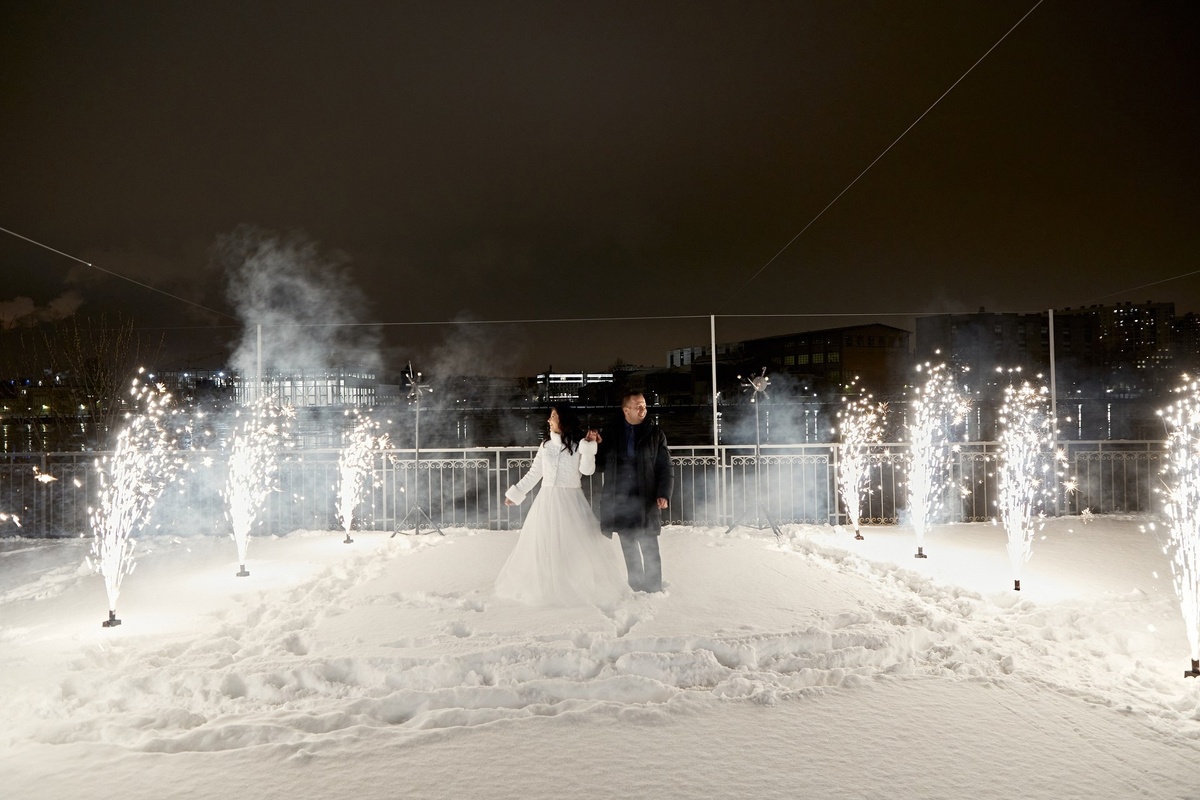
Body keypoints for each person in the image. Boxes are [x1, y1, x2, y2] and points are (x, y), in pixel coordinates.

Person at [495, 403, 627, 606]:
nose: (549, 420)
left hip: (571, 501)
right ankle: (548, 586)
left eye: (553, 416)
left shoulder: (578, 445)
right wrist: (517, 493)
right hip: (546, 501)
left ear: (563, 420)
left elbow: (587, 471)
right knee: (545, 544)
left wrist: (589, 449)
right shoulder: (546, 445)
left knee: (574, 544)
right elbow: (534, 473)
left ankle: (574, 584)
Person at [595, 390, 673, 592]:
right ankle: (636, 587)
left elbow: (665, 467)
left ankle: (654, 588)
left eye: (644, 406)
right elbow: (599, 465)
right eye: (638, 406)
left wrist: (663, 494)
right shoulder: (610, 433)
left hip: (646, 498)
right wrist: (595, 446)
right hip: (621, 499)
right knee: (629, 546)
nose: (643, 409)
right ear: (626, 410)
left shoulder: (655, 433)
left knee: (649, 545)